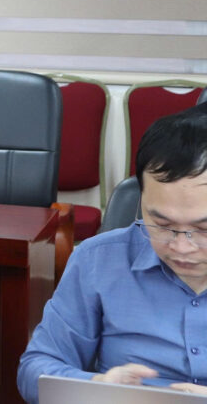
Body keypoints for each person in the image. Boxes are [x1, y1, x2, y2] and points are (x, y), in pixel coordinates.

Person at [17, 103, 207, 402]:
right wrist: (97, 385)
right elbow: (35, 371)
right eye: (161, 224)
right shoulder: (99, 260)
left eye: (203, 229)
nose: (181, 247)